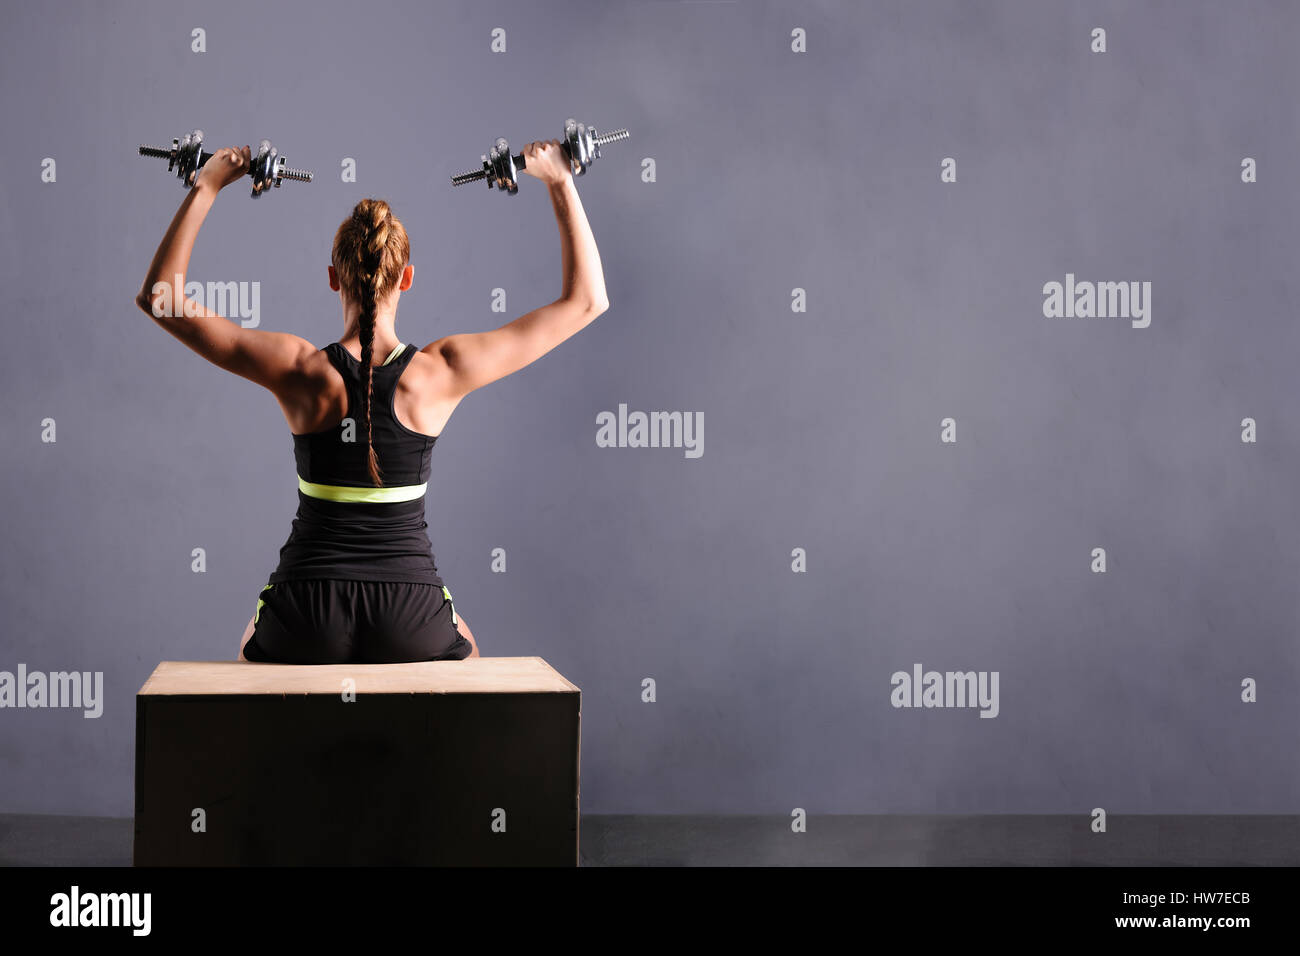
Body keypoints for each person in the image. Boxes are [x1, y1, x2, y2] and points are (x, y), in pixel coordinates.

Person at [134, 139, 609, 664]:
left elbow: (160, 297)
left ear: (334, 277)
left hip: (305, 609)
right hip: (411, 612)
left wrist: (206, 186)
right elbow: (587, 300)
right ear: (406, 278)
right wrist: (561, 181)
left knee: (251, 648)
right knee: (469, 657)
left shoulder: (298, 370)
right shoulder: (442, 371)